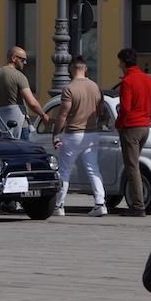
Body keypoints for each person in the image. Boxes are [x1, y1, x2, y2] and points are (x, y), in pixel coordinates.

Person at [51, 55, 107, 217]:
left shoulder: (69, 89)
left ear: (71, 69)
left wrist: (56, 134)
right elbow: (101, 111)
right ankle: (100, 203)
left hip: (73, 134)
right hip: (92, 133)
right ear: (85, 69)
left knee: (65, 171)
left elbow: (63, 114)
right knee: (93, 169)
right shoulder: (95, 87)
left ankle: (59, 205)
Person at [115, 47, 151, 217]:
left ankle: (138, 206)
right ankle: (139, 202)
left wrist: (119, 124)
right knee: (135, 165)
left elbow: (125, 108)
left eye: (120, 62)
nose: (119, 65)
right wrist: (147, 116)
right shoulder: (148, 79)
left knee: (132, 167)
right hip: (144, 127)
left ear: (124, 62)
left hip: (131, 127)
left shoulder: (127, 81)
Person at [0, 46, 47, 139]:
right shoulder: (19, 76)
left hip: (1, 123)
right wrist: (43, 115)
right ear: (14, 58)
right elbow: (32, 102)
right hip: (19, 124)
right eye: (23, 60)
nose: (25, 63)